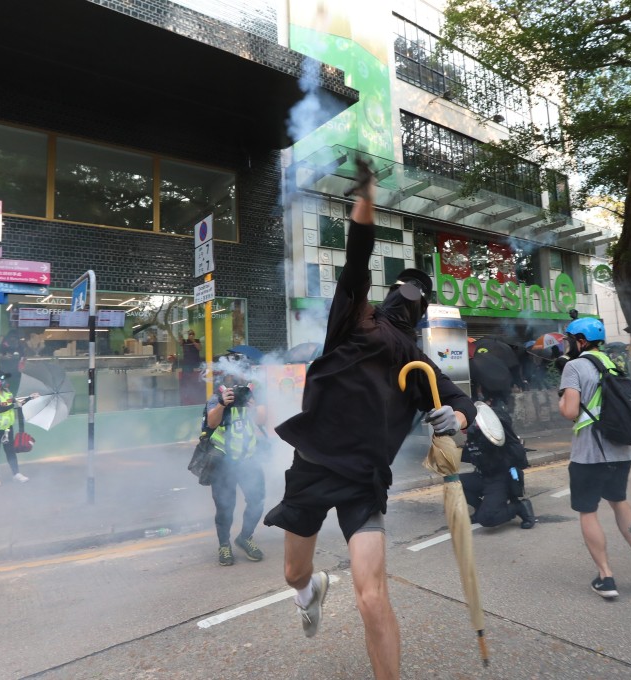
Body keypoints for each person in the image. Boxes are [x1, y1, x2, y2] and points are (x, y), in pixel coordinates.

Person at [264, 160, 476, 680]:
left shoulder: (419, 363)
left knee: (372, 596)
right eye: (404, 287)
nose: (409, 295)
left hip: (365, 481)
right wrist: (365, 200)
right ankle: (309, 591)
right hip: (312, 468)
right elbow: (357, 260)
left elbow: (463, 405)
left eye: (417, 291)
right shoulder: (354, 321)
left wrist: (457, 419)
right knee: (294, 573)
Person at [558, 317, 631, 599]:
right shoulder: (614, 363)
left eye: (570, 339)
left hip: (588, 454)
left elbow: (569, 412)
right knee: (619, 501)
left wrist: (561, 397)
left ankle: (606, 577)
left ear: (580, 341)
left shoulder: (574, 366)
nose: (567, 344)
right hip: (621, 451)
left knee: (588, 511)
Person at [204, 355, 268, 566]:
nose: (238, 377)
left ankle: (245, 537)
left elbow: (261, 421)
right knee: (225, 506)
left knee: (257, 501)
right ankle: (224, 545)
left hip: (248, 459)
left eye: (242, 371)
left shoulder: (251, 393)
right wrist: (223, 404)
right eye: (235, 372)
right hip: (223, 461)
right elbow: (212, 423)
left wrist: (255, 404)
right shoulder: (219, 395)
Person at [461, 355, 535, 530]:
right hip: (483, 473)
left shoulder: (497, 416)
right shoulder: (479, 413)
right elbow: (473, 450)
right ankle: (480, 509)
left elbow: (495, 443)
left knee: (488, 519)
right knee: (454, 484)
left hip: (500, 476)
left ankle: (518, 507)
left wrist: (477, 429)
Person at [0, 377, 29, 487]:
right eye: (1, 379)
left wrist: (29, 398)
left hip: (7, 428)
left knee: (10, 451)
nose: (4, 381)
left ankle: (16, 474)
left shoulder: (7, 392)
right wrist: (14, 405)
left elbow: (15, 401)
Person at [180, 333, 203, 405]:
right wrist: (180, 336)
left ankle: (196, 396)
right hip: (187, 364)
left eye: (192, 334)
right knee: (186, 380)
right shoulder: (185, 341)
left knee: (196, 379)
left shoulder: (196, 340)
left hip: (195, 363)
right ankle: (187, 397)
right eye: (189, 334)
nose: (191, 335)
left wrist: (193, 341)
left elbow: (199, 348)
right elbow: (180, 343)